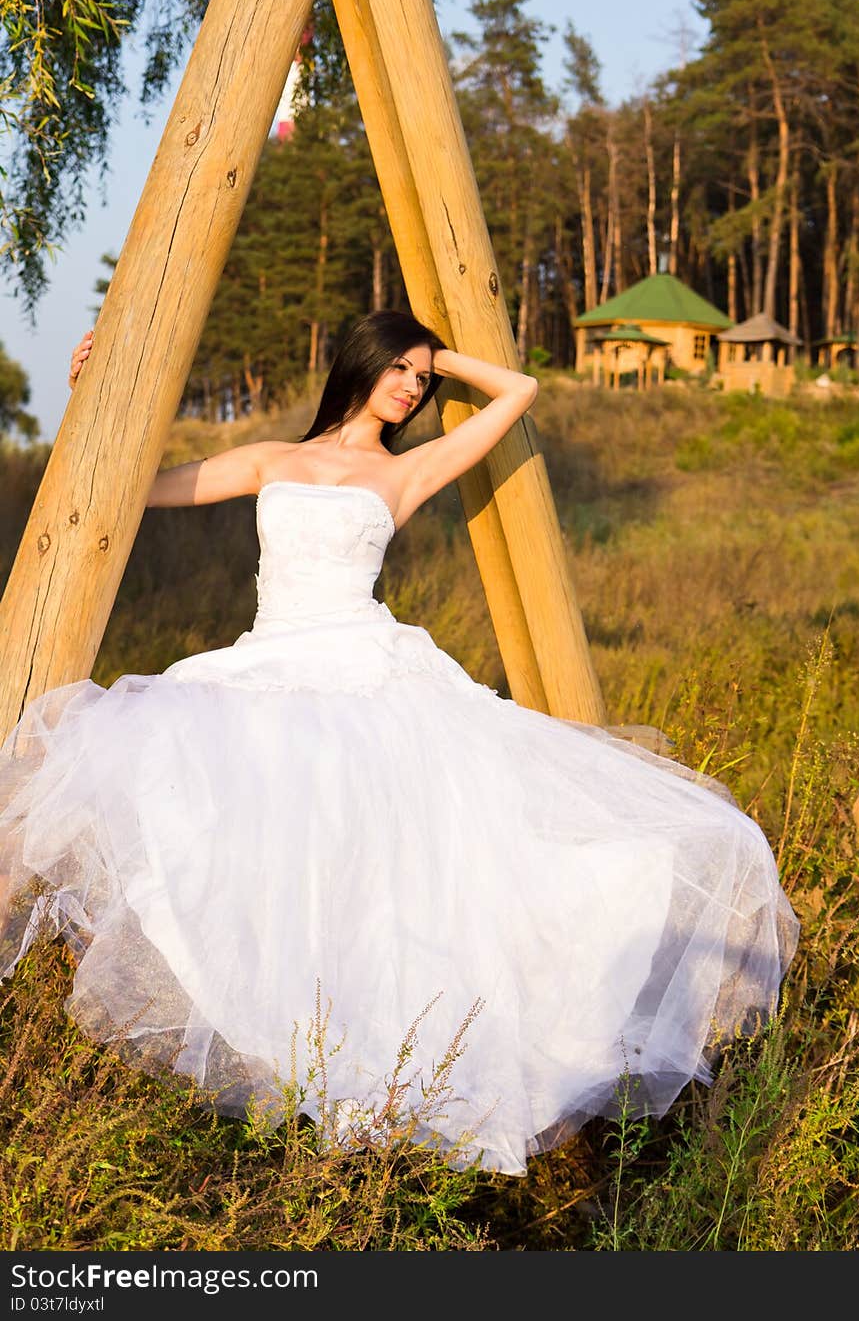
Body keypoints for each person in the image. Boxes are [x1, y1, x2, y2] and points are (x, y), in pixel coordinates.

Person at [0, 311, 799, 1177]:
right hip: (267, 666)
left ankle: (391, 1079)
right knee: (213, 824)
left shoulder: (407, 472)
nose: (415, 387)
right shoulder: (273, 459)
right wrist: (93, 393)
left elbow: (520, 390)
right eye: (401, 370)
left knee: (412, 874)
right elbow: (139, 485)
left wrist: (438, 349)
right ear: (363, 363)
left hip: (372, 674)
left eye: (424, 378)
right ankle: (303, 1050)